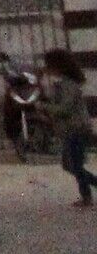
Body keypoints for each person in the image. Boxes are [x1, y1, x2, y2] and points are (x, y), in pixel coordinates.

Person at [41, 48, 93, 210]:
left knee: (74, 165)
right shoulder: (62, 84)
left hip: (76, 129)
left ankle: (86, 197)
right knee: (70, 164)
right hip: (71, 129)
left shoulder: (68, 85)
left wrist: (43, 106)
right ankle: (86, 196)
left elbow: (64, 108)